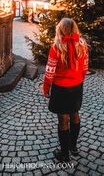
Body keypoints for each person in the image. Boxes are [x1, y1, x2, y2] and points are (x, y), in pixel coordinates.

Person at [43, 18, 89, 162]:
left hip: (61, 88)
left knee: (63, 120)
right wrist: (78, 80)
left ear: (60, 29)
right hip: (76, 86)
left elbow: (49, 71)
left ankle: (64, 155)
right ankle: (73, 147)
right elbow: (85, 67)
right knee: (75, 114)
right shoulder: (82, 44)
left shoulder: (56, 46)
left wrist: (46, 88)